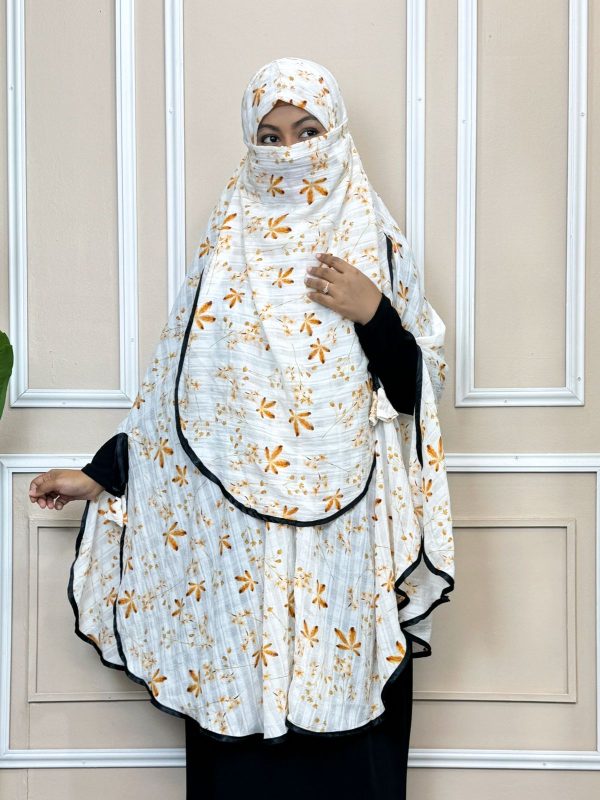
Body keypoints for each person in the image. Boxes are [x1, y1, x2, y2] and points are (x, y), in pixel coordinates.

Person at [29, 57, 454, 799]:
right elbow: (175, 395)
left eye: (308, 131)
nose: (290, 151)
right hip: (235, 549)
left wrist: (374, 314)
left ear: (336, 132)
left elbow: (419, 392)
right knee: (241, 722)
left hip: (345, 540)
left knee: (346, 722)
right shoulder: (226, 243)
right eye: (271, 135)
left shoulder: (373, 239)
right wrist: (100, 476)